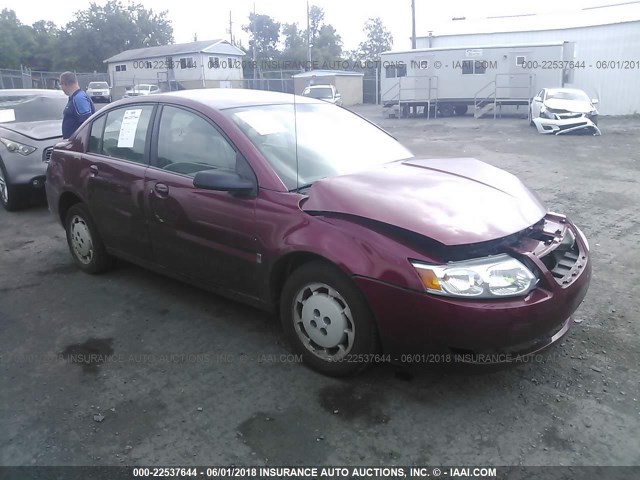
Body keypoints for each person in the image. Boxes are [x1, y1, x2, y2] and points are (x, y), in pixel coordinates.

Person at [59, 71, 95, 139]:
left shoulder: (79, 98)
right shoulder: (75, 97)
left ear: (65, 84)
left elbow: (86, 123)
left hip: (77, 144)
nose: (61, 88)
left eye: (60, 84)